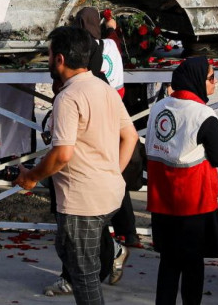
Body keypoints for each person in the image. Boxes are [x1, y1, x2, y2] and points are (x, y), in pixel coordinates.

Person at [14, 26, 137, 305]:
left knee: (84, 277)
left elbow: (63, 154)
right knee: (69, 249)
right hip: (110, 194)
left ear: (59, 59)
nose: (47, 61)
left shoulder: (68, 97)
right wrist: (112, 173)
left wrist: (32, 177)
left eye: (48, 55)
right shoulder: (103, 88)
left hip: (82, 201)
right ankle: (110, 253)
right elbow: (130, 136)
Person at [146, 57, 218, 305]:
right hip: (193, 202)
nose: (215, 83)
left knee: (168, 263)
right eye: (211, 78)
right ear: (197, 81)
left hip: (162, 200)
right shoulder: (203, 114)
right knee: (193, 265)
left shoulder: (159, 108)